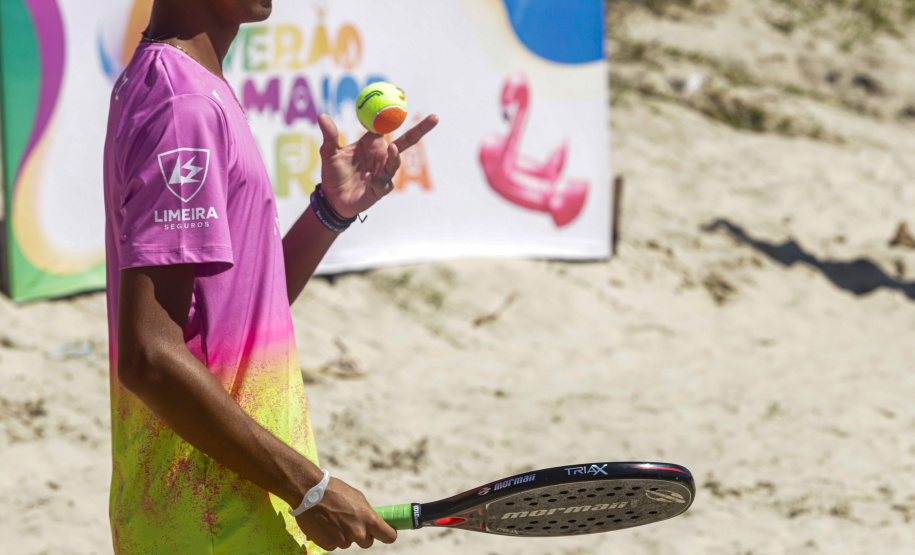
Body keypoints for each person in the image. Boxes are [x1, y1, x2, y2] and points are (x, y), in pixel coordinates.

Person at [102, 0, 438, 552]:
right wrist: (309, 488)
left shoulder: (184, 84)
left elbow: (244, 310)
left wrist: (330, 212)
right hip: (213, 517)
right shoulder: (182, 103)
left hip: (233, 504)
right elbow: (149, 356)